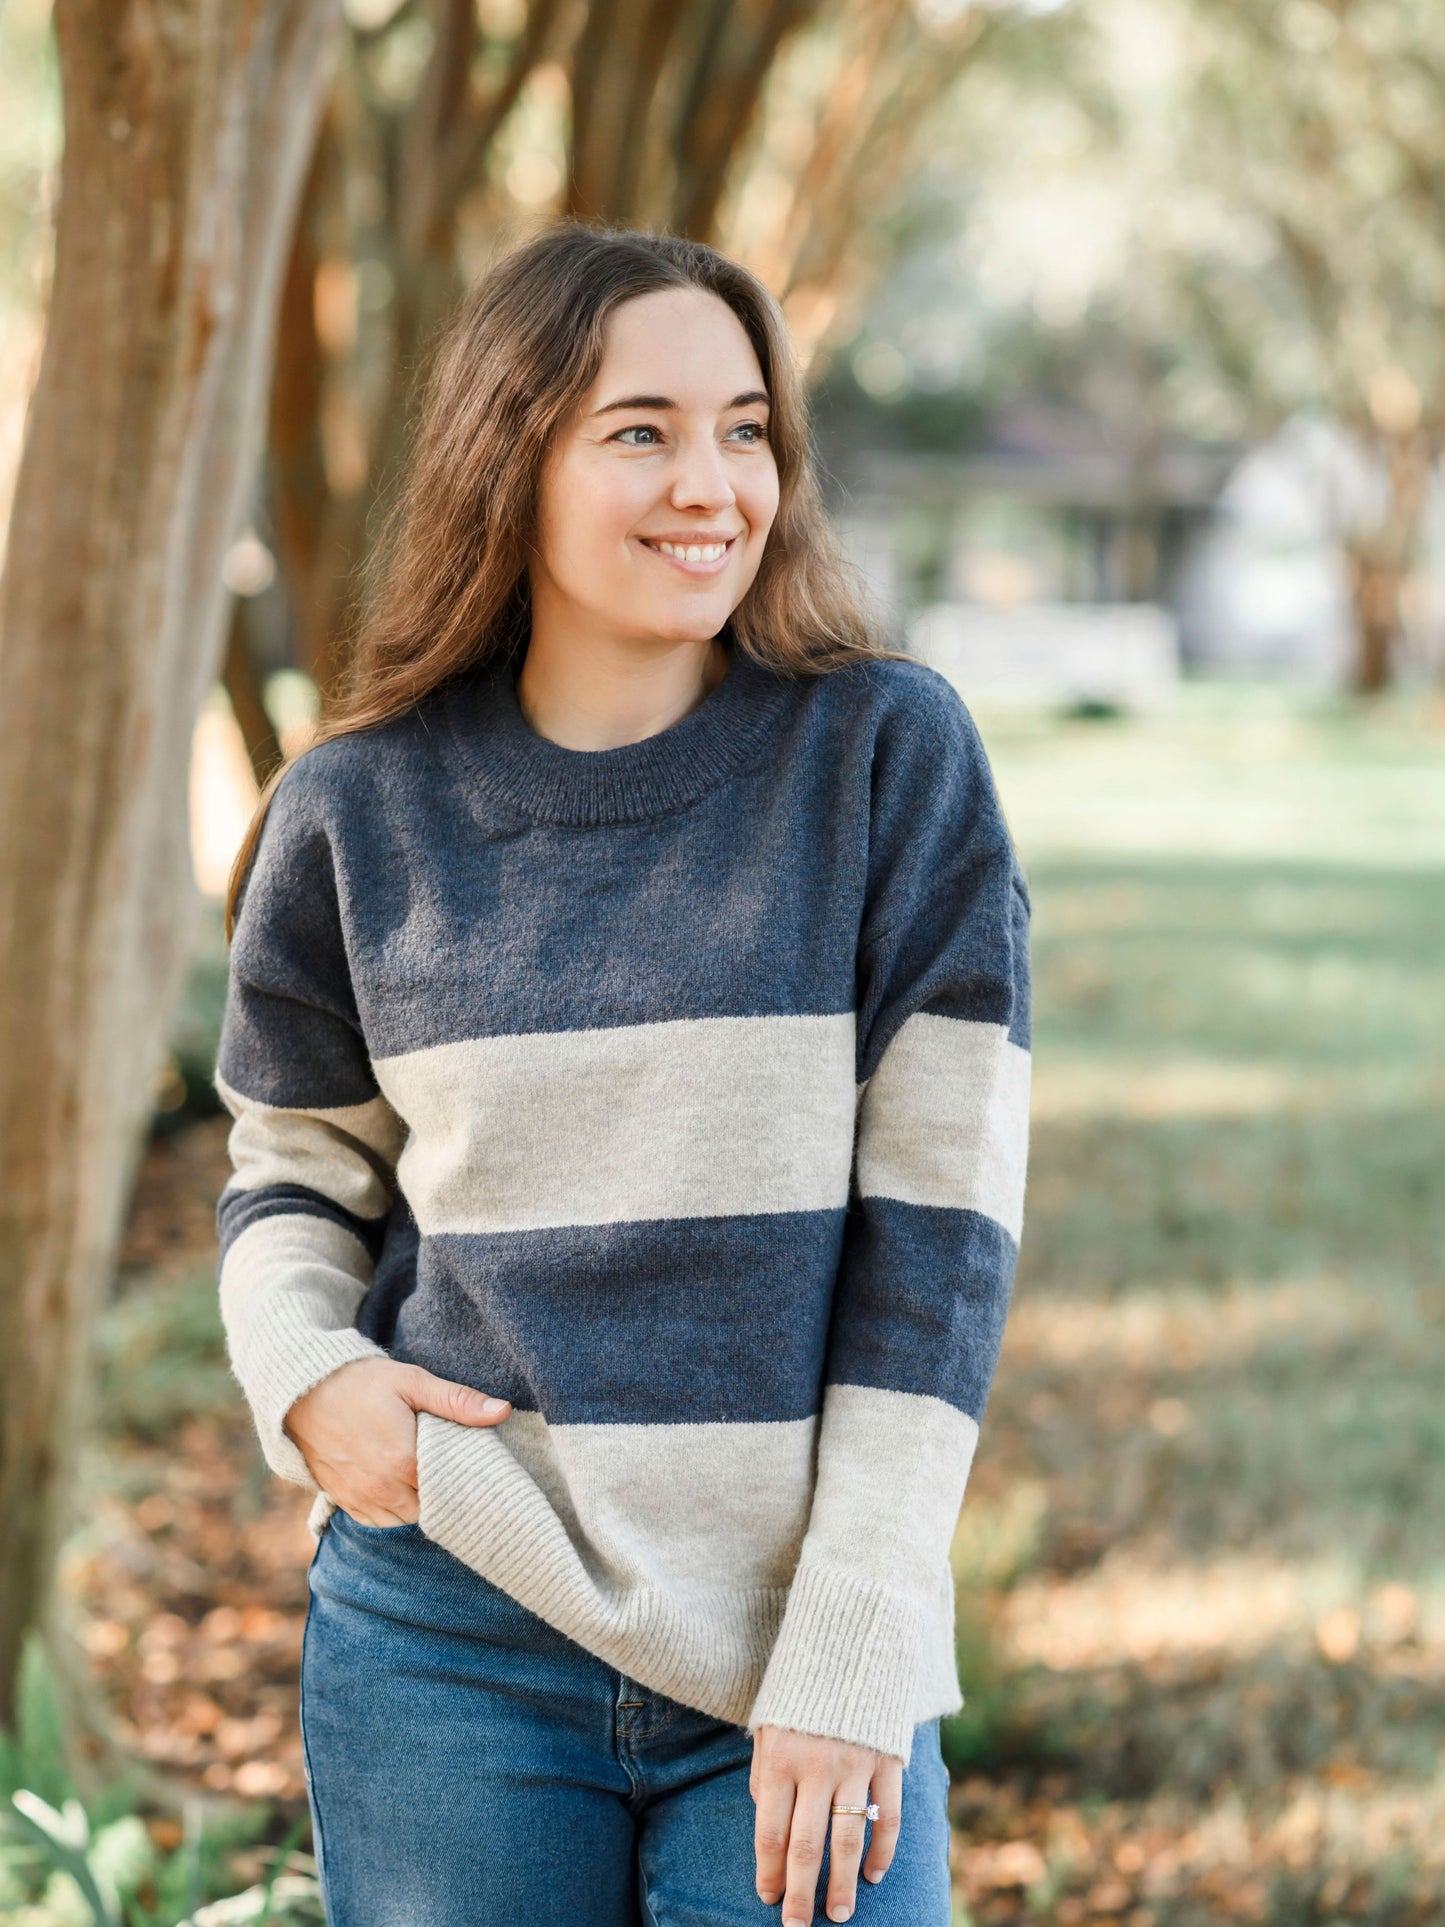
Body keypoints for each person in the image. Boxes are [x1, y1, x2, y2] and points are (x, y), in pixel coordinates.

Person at [213, 221, 1031, 1927]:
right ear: (507, 453)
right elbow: (292, 1167)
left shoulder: (885, 758)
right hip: (448, 1646)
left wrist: (851, 1646)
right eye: (639, 429)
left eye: (744, 429)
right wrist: (304, 1375)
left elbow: (935, 1252)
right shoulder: (354, 814)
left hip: (793, 1648)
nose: (711, 483)